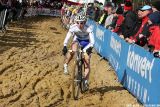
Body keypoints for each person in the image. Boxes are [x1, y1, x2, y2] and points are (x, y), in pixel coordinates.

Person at [62, 13, 95, 89]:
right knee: (73, 50)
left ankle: (86, 81)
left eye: (82, 23)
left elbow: (92, 40)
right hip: (77, 41)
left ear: (85, 22)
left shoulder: (88, 28)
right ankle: (65, 65)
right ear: (75, 22)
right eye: (78, 22)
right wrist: (64, 45)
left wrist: (91, 47)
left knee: (87, 61)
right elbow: (68, 36)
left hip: (87, 43)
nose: (79, 25)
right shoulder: (73, 27)